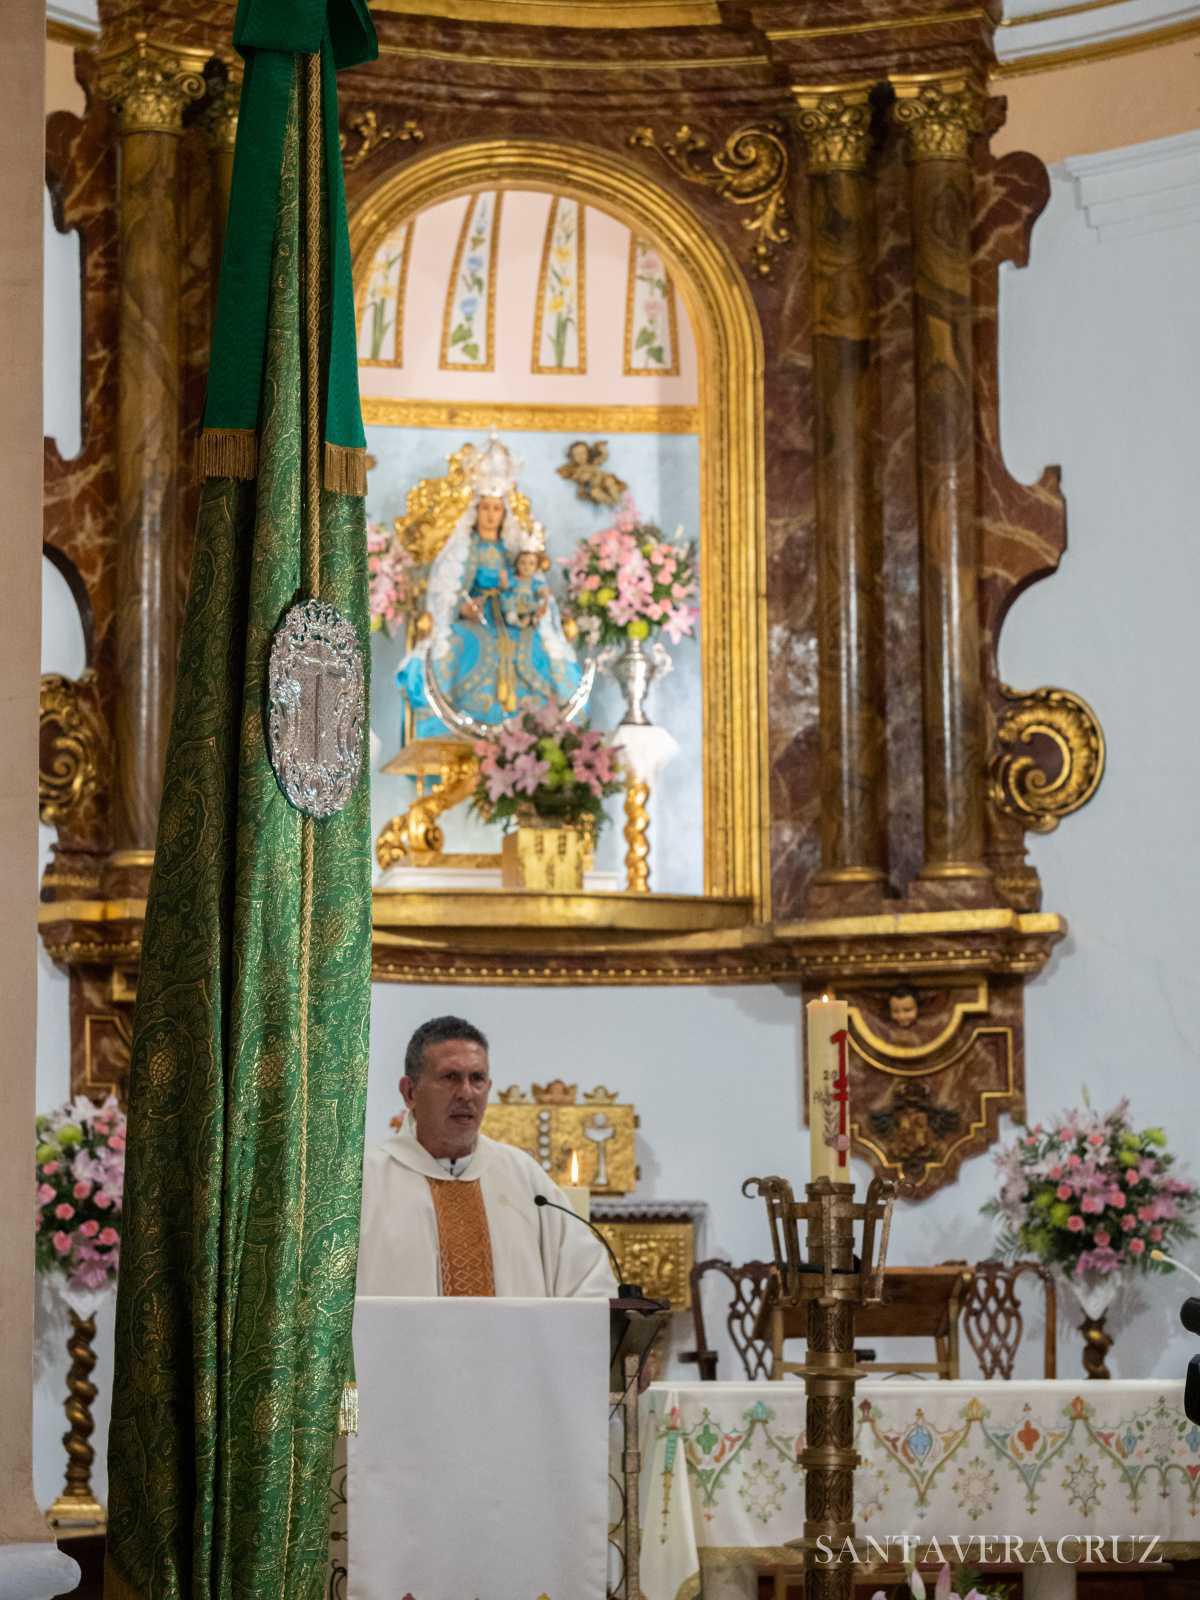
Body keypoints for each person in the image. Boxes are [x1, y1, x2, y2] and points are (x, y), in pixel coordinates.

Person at [357, 1016, 618, 1298]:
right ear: (409, 1092)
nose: (466, 1093)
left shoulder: (524, 1177)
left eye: (477, 1079)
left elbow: (590, 1286)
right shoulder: (364, 1182)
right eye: (450, 1077)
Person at [396, 436, 584, 738]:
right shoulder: (463, 548)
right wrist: (462, 609)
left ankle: (533, 731)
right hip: (474, 618)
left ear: (504, 513)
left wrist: (534, 607)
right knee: (465, 643)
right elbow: (446, 591)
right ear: (476, 510)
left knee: (537, 645)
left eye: (497, 509)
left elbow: (532, 583)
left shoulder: (513, 548)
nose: (490, 515)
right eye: (485, 508)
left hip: (512, 617)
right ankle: (461, 733)